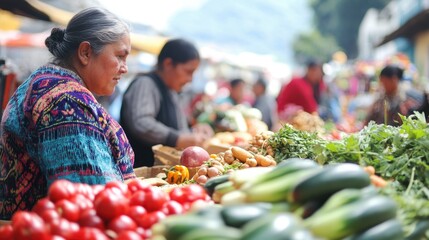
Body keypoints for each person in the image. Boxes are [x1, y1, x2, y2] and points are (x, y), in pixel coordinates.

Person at [0, 7, 135, 219]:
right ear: (85, 52)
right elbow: (92, 199)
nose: (124, 68)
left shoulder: (47, 82)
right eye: (120, 56)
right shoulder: (66, 102)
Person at [120, 38, 212, 167]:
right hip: (140, 172)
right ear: (168, 64)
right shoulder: (145, 84)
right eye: (188, 71)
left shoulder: (171, 90)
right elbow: (140, 122)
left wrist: (193, 131)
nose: (190, 79)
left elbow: (178, 127)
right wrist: (176, 138)